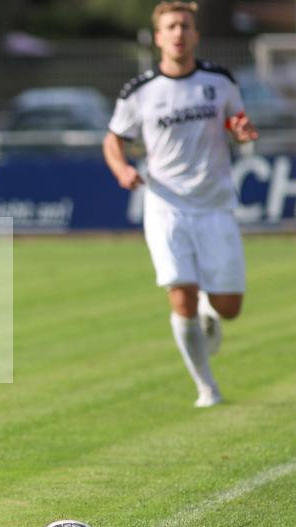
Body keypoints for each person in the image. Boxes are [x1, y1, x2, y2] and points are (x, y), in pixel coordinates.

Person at [103, 1, 258, 408]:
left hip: (215, 205)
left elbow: (238, 125)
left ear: (195, 35)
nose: (178, 32)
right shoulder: (139, 92)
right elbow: (114, 138)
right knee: (180, 296)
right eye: (170, 26)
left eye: (185, 26)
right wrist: (121, 169)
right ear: (158, 37)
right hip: (165, 206)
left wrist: (242, 132)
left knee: (230, 308)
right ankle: (206, 387)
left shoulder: (219, 81)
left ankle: (212, 304)